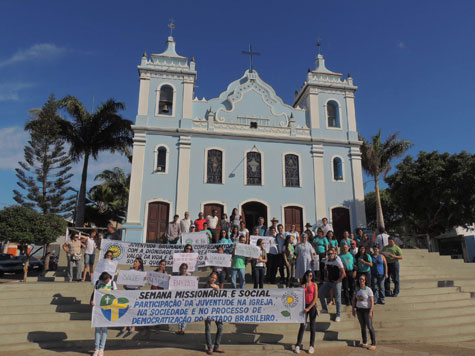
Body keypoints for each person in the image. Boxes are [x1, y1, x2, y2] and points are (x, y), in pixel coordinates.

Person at [90, 271, 117, 356]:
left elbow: (116, 295)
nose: (105, 282)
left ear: (108, 278)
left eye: (106, 281)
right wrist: (91, 300)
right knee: (97, 329)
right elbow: (94, 293)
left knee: (104, 329)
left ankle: (102, 348)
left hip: (107, 308)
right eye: (103, 281)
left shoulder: (112, 283)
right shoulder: (98, 282)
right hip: (98, 308)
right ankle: (96, 348)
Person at [294, 270, 318, 354]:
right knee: (302, 326)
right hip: (304, 306)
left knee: (312, 326)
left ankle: (311, 345)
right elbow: (298, 297)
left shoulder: (314, 285)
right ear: (305, 276)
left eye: (311, 276)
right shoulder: (302, 285)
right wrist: (302, 288)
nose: (309, 277)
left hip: (312, 307)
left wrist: (309, 307)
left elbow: (315, 298)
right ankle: (298, 345)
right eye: (308, 275)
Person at [319, 247, 345, 322]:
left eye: (331, 254)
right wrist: (325, 277)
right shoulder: (327, 261)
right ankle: (324, 308)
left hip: (337, 282)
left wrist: (338, 281)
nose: (330, 255)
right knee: (320, 292)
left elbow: (343, 273)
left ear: (334, 254)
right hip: (329, 281)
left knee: (337, 299)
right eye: (329, 254)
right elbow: (325, 269)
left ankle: (338, 315)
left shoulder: (337, 261)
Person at [352, 274, 376, 350]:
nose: (361, 281)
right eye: (360, 279)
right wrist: (353, 309)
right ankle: (365, 341)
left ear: (365, 281)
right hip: (359, 310)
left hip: (367, 310)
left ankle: (373, 343)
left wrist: (371, 311)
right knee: (363, 327)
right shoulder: (357, 289)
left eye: (362, 279)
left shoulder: (368, 290)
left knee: (370, 327)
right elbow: (354, 299)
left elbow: (372, 301)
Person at [121, 257, 144, 334]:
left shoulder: (141, 273)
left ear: (139, 263)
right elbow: (124, 279)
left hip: (135, 291)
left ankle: (133, 326)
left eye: (136, 261)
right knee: (126, 308)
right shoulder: (130, 270)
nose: (134, 262)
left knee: (133, 309)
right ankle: (125, 325)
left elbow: (141, 284)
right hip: (128, 290)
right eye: (134, 261)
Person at [204, 272, 224, 354]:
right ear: (209, 277)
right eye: (212, 277)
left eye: (215, 278)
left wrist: (218, 290)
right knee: (208, 328)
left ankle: (216, 346)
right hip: (207, 309)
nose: (213, 279)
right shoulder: (205, 286)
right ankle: (210, 347)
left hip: (216, 309)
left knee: (220, 327)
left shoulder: (218, 286)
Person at [176, 263, 191, 335]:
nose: (184, 270)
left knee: (185, 313)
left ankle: (183, 328)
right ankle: (179, 327)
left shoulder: (190, 276)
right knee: (179, 313)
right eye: (182, 268)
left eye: (185, 269)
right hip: (179, 297)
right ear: (180, 269)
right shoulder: (176, 277)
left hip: (186, 297)